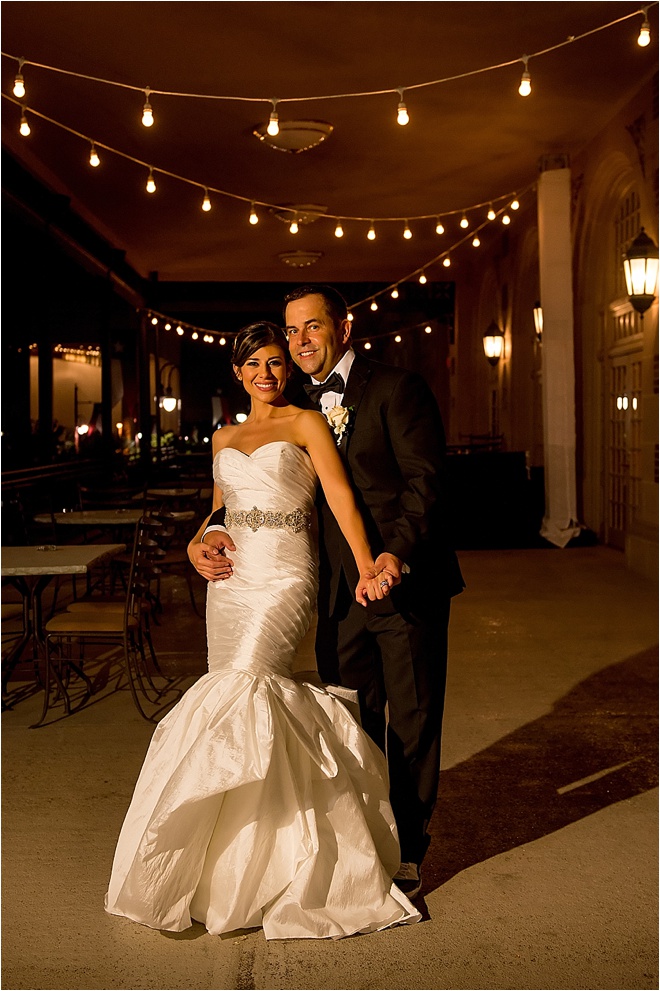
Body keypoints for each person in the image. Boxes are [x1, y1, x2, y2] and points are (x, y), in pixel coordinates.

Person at [105, 321, 421, 940]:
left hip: (283, 573)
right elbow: (220, 507)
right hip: (230, 580)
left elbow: (338, 497)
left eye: (277, 363)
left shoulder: (306, 424)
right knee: (232, 692)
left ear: (286, 368)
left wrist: (366, 567)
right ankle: (232, 867)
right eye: (254, 365)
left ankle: (301, 867)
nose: (267, 375)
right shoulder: (223, 434)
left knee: (249, 686)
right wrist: (202, 540)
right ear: (238, 373)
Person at [198, 286, 464, 900]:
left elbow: (425, 483)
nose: (299, 342)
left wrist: (392, 554)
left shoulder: (397, 388)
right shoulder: (286, 405)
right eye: (291, 333)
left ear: (344, 328)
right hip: (329, 590)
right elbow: (243, 499)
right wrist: (202, 538)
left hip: (401, 582)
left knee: (413, 721)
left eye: (312, 327)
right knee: (347, 718)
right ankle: (361, 840)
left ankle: (408, 854)